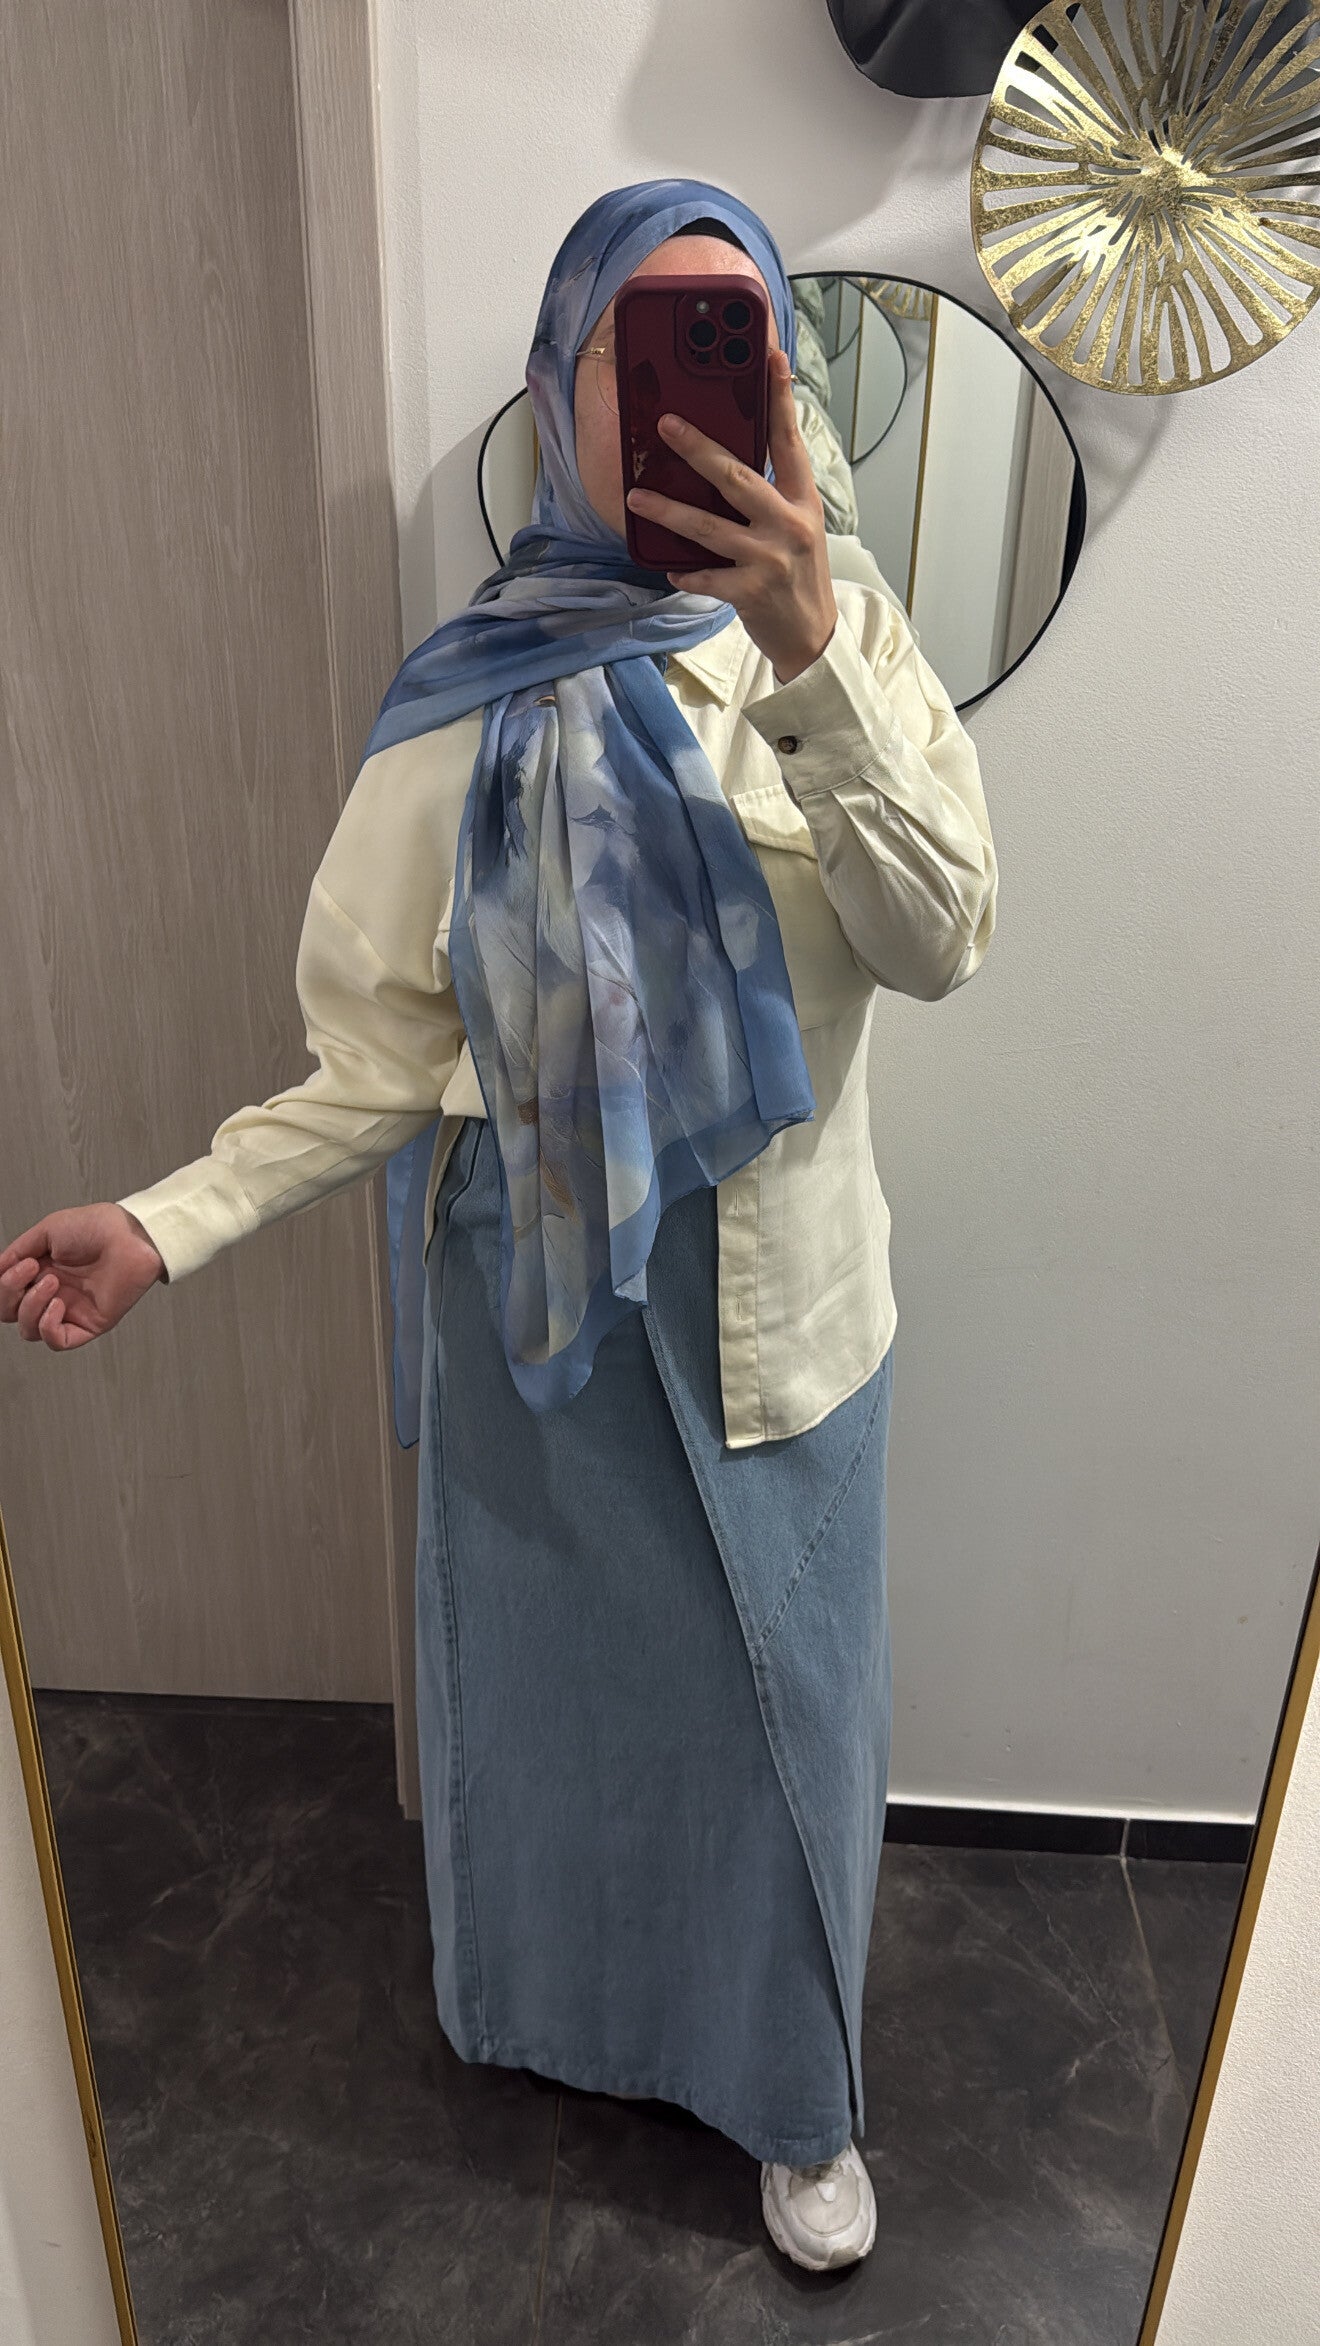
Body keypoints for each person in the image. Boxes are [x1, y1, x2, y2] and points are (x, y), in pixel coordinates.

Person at [0, 179, 997, 2274]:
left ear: (789, 385)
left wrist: (812, 652)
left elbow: (940, 942)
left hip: (783, 1314)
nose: (690, 395)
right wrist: (167, 1222)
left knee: (794, 1729)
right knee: (556, 1716)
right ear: (568, 390)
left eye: (736, 343)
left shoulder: (854, 636)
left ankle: (796, 2100)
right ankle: (558, 2016)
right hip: (537, 1314)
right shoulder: (472, 691)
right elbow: (375, 1056)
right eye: (647, 350)